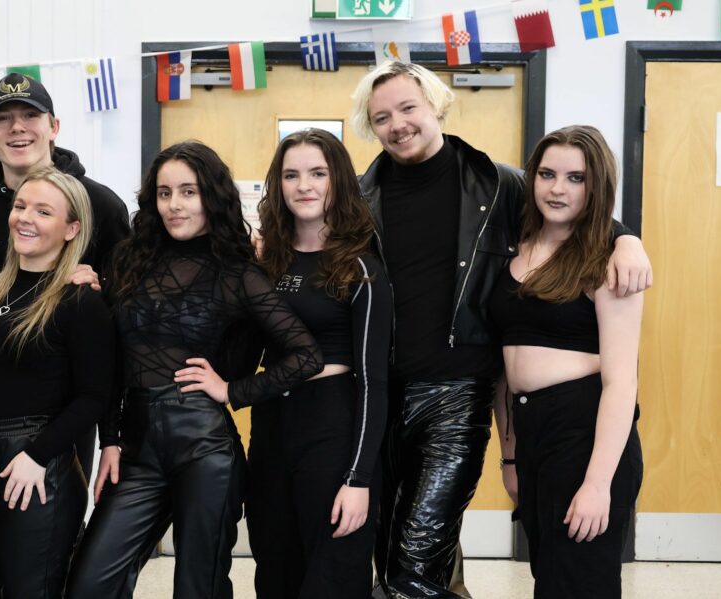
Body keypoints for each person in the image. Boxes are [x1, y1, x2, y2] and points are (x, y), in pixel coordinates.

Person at [348, 61, 653, 597]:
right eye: (381, 116)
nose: (397, 123)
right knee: (397, 548)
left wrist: (625, 237)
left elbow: (576, 211)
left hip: (458, 395)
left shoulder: (497, 183)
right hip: (382, 394)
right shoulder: (358, 197)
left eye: (408, 108)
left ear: (436, 105)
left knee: (414, 564)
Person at [65, 141, 323, 599]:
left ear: (212, 197)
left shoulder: (239, 273)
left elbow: (306, 356)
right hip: (138, 448)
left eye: (188, 191)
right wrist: (111, 440)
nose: (174, 205)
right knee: (88, 582)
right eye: (164, 193)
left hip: (205, 451)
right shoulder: (128, 261)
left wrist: (233, 390)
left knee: (196, 590)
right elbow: (111, 362)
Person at [0, 71, 131, 484]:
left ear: (54, 127)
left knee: (47, 540)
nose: (18, 127)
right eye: (4, 118)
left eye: (31, 115)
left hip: (63, 419)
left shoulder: (101, 206)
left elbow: (124, 327)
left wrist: (113, 435)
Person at [0, 167, 114, 597]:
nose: (25, 217)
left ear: (72, 229)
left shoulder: (80, 302)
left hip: (37, 472)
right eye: (20, 206)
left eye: (43, 211)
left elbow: (94, 397)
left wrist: (37, 455)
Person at [489, 125, 643, 599]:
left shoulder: (607, 260)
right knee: (550, 578)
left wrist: (598, 484)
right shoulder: (512, 248)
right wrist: (510, 455)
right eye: (547, 174)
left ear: (596, 186)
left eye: (576, 178)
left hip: (583, 430)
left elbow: (621, 382)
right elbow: (502, 368)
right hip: (532, 430)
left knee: (580, 583)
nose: (557, 189)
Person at [247, 128, 392, 598]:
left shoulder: (360, 265)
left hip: (333, 428)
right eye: (291, 175)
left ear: (339, 182)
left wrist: (358, 479)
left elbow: (374, 382)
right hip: (271, 426)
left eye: (317, 173)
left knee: (332, 578)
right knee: (275, 572)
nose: (303, 185)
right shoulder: (264, 262)